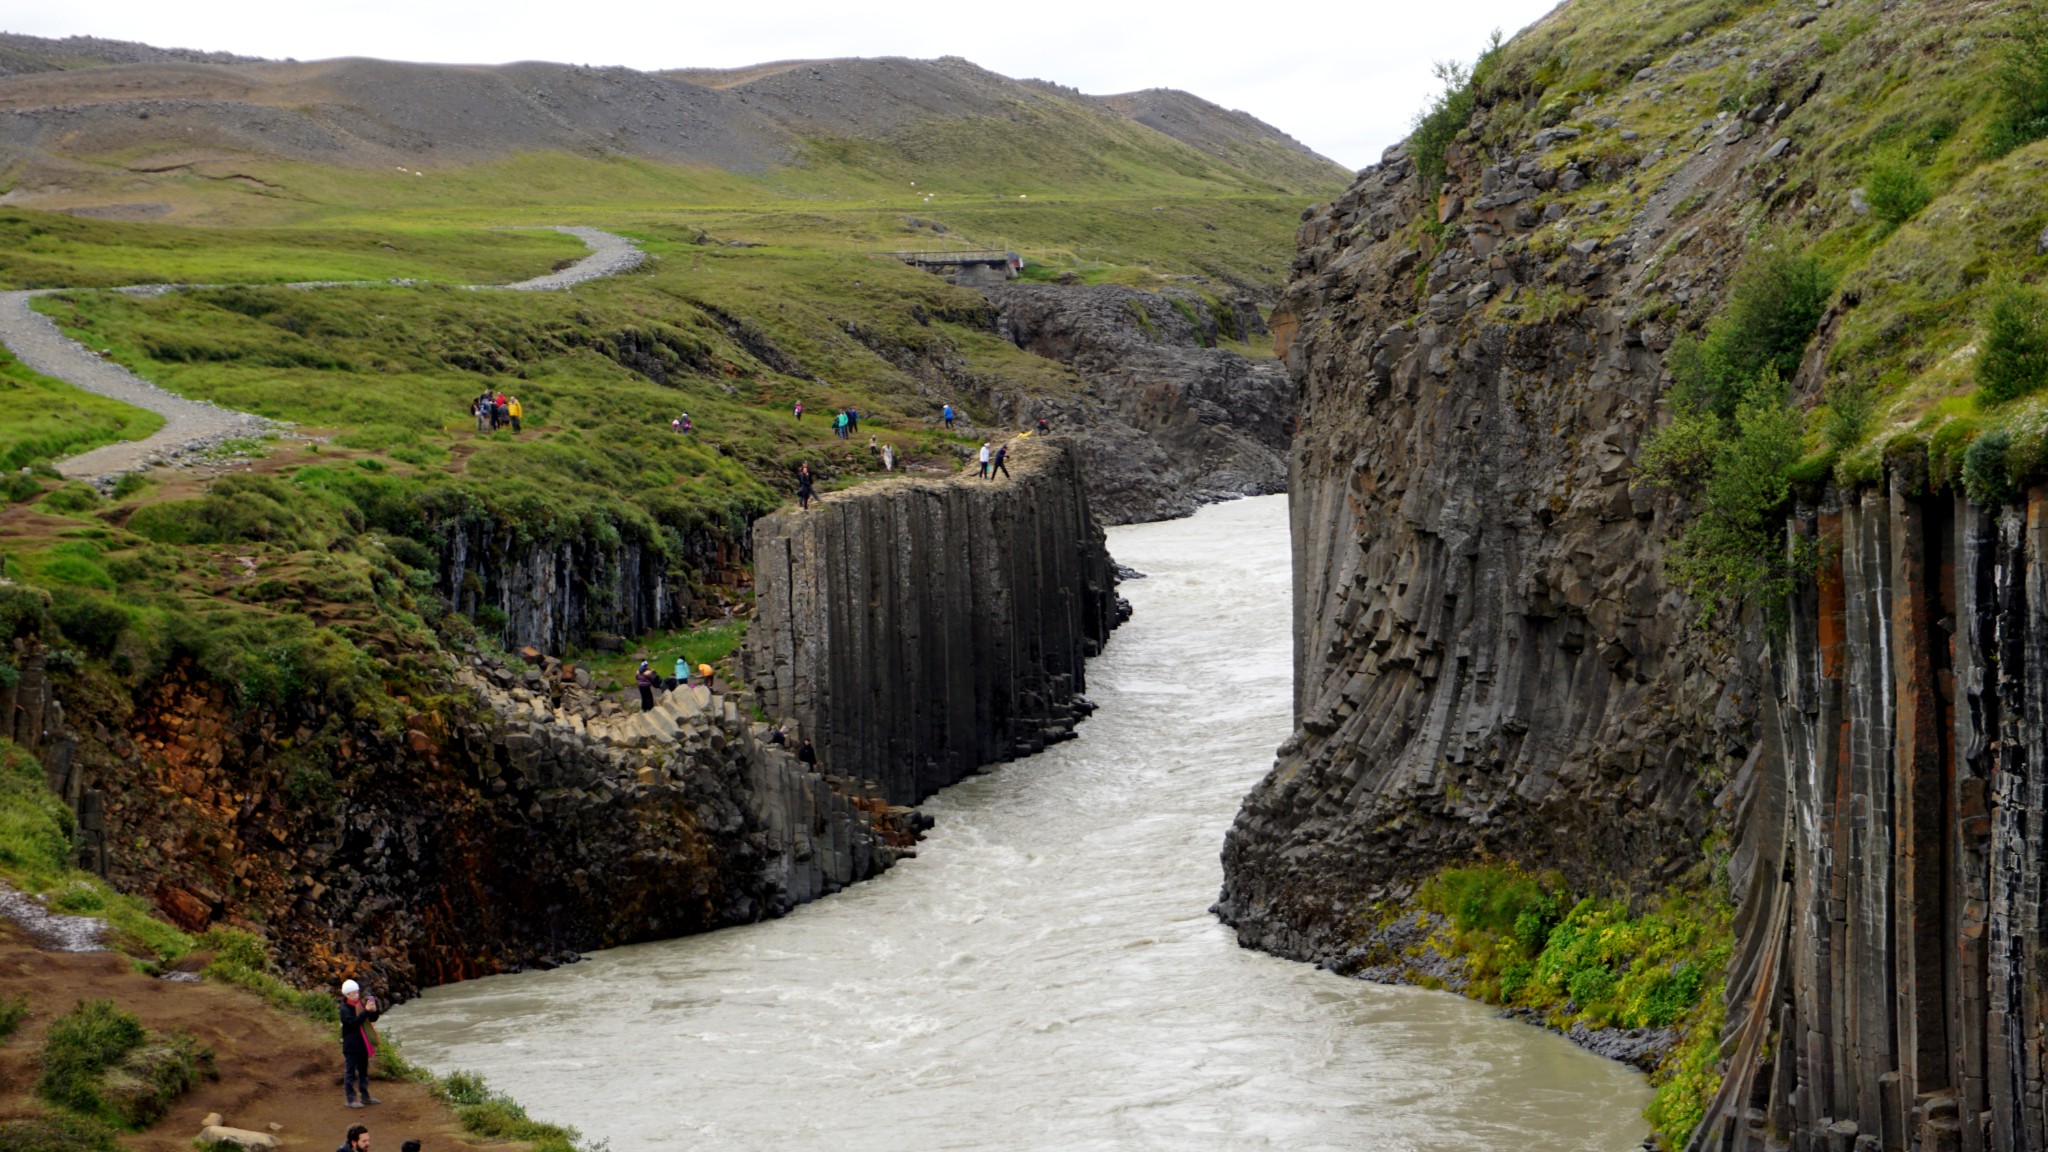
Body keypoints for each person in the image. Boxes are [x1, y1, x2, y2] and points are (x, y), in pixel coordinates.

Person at [339, 980, 380, 1108]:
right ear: (347, 995)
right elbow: (354, 1023)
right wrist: (366, 1012)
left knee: (363, 1071)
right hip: (351, 1046)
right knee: (350, 1072)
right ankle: (351, 1099)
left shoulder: (360, 1005)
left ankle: (365, 1095)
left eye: (357, 992)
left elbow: (371, 1019)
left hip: (363, 1044)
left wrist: (373, 1010)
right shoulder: (344, 1008)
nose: (357, 995)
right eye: (354, 993)